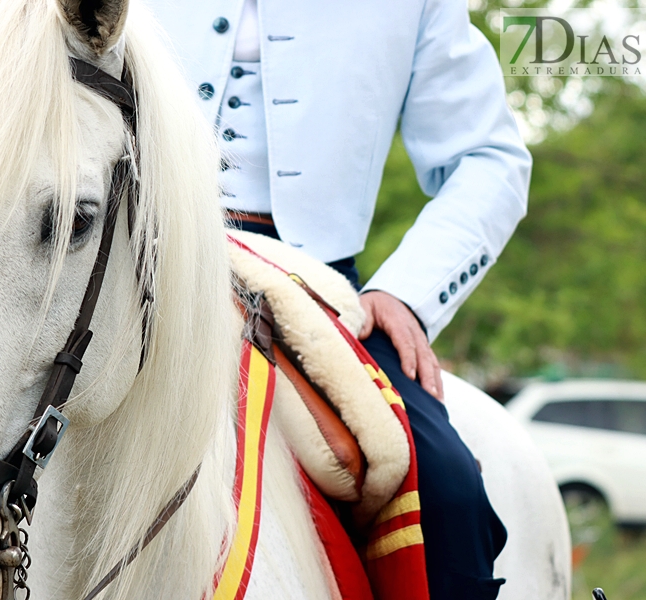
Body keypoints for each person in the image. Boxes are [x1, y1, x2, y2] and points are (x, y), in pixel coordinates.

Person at [142, 0, 530, 598]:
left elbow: (489, 159)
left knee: (447, 489)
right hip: (115, 256)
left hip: (315, 291)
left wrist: (405, 291)